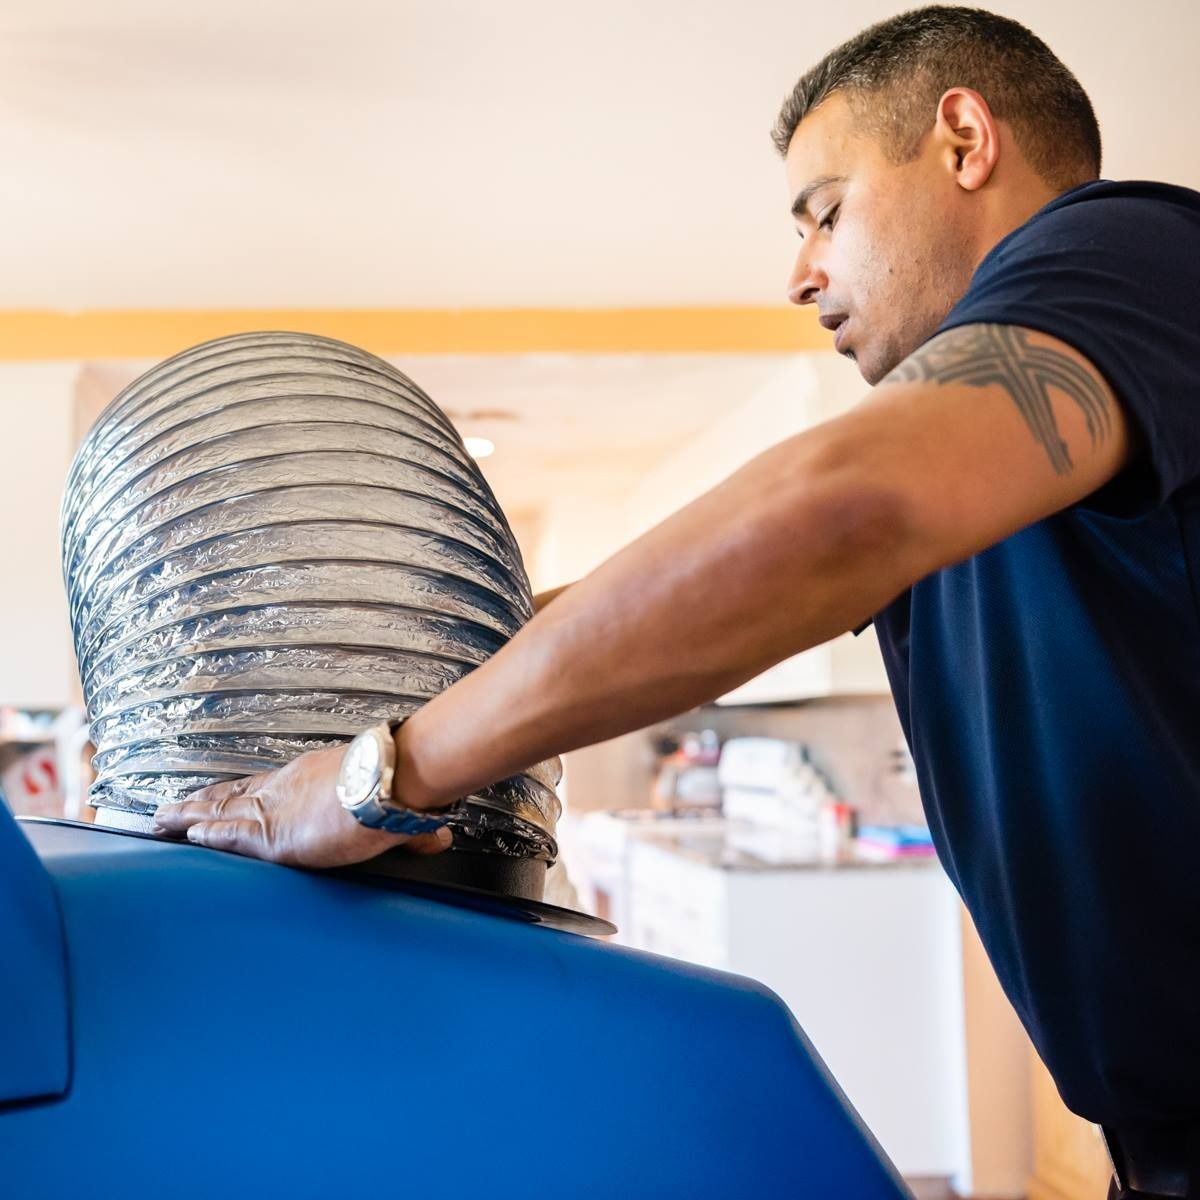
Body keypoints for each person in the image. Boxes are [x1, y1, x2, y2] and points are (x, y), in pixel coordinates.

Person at [153, 8, 1200, 1196]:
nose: (801, 275)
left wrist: (385, 774)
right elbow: (649, 605)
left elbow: (833, 510)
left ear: (963, 141)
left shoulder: (1130, 250)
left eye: (825, 213)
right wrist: (334, 731)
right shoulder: (976, 482)